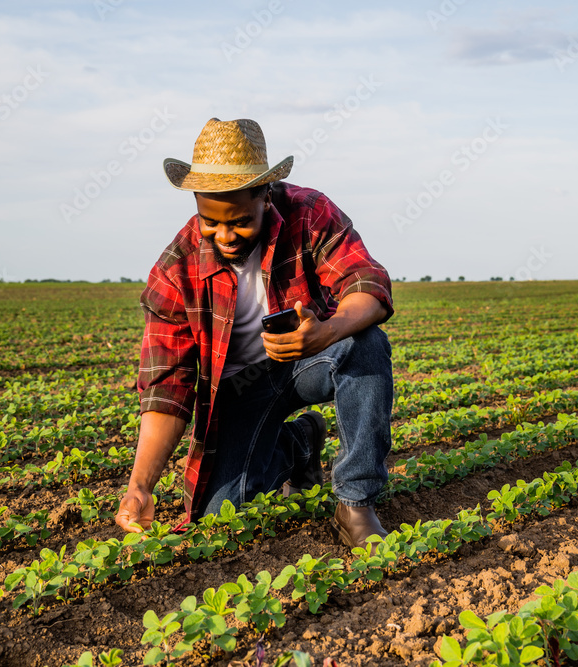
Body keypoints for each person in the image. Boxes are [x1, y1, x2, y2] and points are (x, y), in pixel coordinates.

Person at [114, 118, 394, 552]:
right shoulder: (175, 271)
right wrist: (140, 485)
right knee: (223, 515)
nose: (224, 236)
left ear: (266, 195)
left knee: (367, 343)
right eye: (211, 221)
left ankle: (355, 504)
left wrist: (327, 332)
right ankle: (298, 444)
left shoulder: (309, 213)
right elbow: (166, 390)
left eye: (240, 222)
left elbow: (366, 284)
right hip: (240, 391)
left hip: (308, 360)